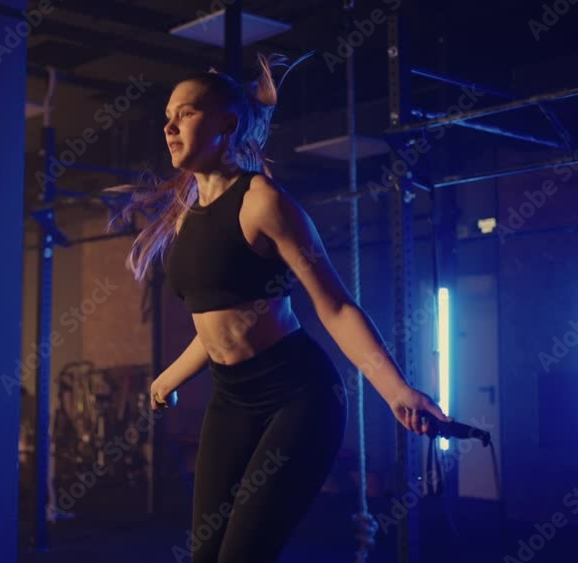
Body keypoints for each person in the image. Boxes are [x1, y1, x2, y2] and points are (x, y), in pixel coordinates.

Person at [108, 53, 449, 563]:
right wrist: (167, 379)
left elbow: (334, 307)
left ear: (227, 123)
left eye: (186, 112)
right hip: (231, 401)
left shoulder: (264, 203)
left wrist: (397, 390)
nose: (169, 124)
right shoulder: (187, 220)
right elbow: (218, 327)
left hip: (299, 397)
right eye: (168, 115)